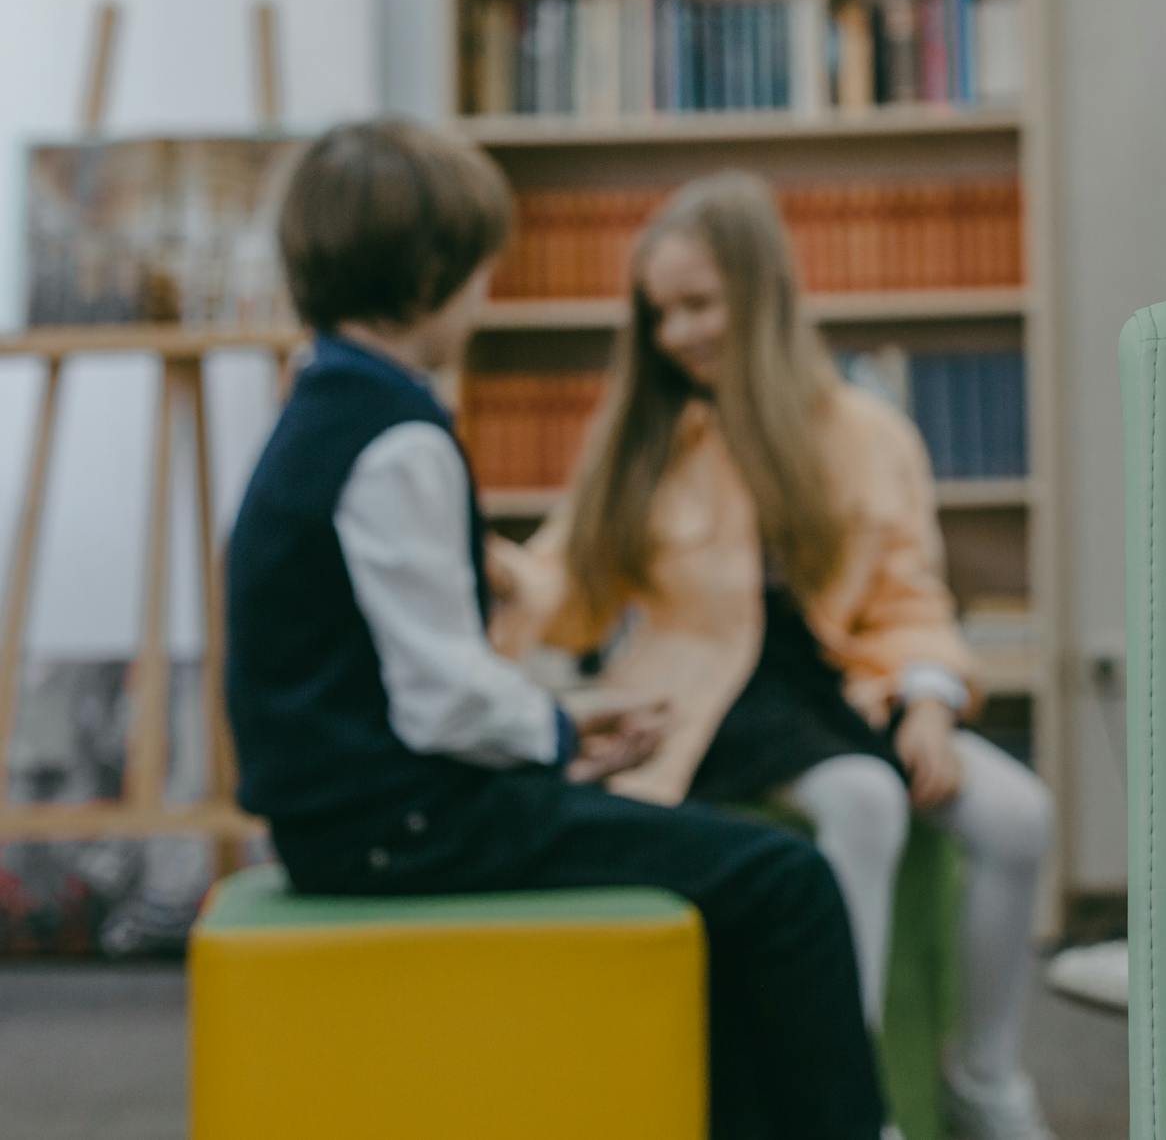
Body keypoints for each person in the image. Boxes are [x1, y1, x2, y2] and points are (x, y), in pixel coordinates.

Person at [226, 119, 886, 1140]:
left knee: (713, 876)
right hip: (399, 832)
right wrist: (569, 734)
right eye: (484, 272)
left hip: (343, 819)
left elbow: (406, 681)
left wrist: (561, 723)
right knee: (785, 883)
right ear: (435, 276)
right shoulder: (400, 437)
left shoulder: (319, 408)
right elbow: (444, 697)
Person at [491, 172, 1056, 1140]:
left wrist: (927, 702)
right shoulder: (648, 436)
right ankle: (849, 1092)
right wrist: (494, 580)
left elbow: (908, 595)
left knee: (1018, 817)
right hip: (703, 699)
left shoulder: (865, 433)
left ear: (761, 297)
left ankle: (984, 1078)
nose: (677, 335)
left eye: (699, 306)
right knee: (864, 801)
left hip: (840, 688)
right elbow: (568, 587)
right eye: (660, 314)